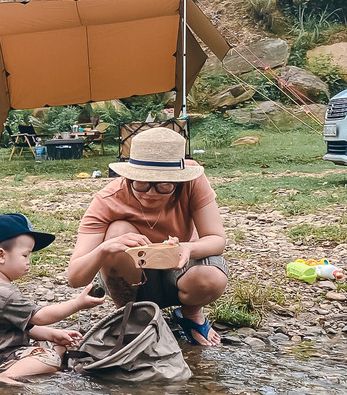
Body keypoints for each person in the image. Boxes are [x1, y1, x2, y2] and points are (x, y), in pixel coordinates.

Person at [66, 128, 228, 345]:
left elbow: (217, 238)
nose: (151, 193)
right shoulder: (107, 200)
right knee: (118, 232)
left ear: (179, 181)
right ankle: (130, 315)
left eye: (164, 185)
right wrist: (106, 248)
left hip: (180, 270)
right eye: (141, 183)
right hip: (133, 281)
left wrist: (188, 248)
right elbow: (75, 277)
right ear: (128, 176)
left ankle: (190, 314)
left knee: (211, 278)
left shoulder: (193, 180)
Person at [0, 214, 105, 385]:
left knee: (59, 346)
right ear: (0, 255)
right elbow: (40, 317)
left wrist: (53, 334)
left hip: (7, 352)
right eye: (25, 255)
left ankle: (40, 371)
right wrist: (78, 303)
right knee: (50, 357)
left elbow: (26, 325)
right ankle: (5, 377)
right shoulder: (1, 292)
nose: (29, 262)